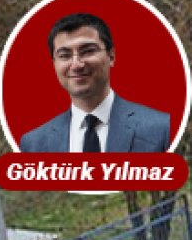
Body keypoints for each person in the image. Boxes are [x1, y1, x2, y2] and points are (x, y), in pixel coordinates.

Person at [21, 13, 171, 153]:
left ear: (111, 56)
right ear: (54, 64)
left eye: (87, 51)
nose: (77, 64)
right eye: (65, 55)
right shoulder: (33, 145)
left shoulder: (161, 130)